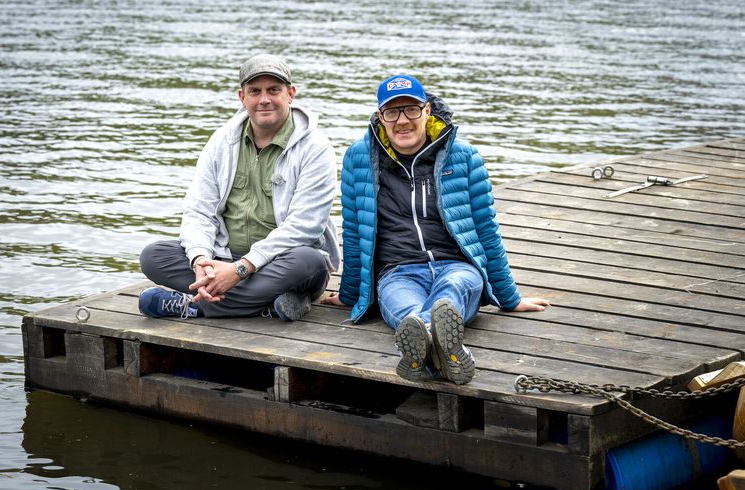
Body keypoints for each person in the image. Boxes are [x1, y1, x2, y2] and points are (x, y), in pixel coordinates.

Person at [322, 74, 549, 385]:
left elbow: (485, 229)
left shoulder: (463, 155)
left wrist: (509, 298)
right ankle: (449, 353)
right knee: (406, 309)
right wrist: (350, 295)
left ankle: (425, 349)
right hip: (396, 271)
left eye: (411, 110)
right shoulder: (359, 158)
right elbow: (354, 230)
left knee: (452, 291)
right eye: (392, 112)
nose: (402, 121)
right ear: (380, 118)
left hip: (457, 265)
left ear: (427, 111)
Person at [138, 54, 340, 321]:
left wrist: (240, 270)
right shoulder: (222, 140)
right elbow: (199, 210)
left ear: (290, 94)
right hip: (225, 255)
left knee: (308, 261)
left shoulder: (316, 147)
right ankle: (268, 305)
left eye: (273, 90)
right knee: (153, 256)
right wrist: (201, 261)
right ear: (242, 97)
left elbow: (305, 227)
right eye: (255, 91)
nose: (264, 99)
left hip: (283, 262)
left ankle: (194, 306)